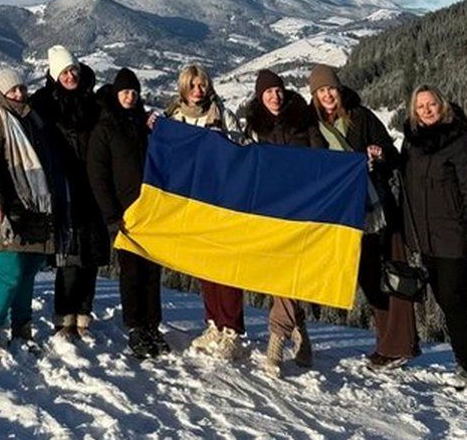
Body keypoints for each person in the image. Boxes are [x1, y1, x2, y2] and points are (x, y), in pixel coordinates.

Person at [308, 64, 419, 370]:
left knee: (394, 276)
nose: (328, 95)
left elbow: (393, 156)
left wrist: (380, 154)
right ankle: (387, 344)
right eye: (321, 90)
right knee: (370, 280)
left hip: (379, 208)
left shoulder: (362, 116)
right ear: (314, 95)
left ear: (339, 89)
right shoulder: (311, 125)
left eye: (331, 88)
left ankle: (399, 346)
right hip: (344, 214)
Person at [400, 85, 467, 400]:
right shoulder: (412, 144)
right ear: (414, 111)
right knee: (445, 301)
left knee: (455, 302)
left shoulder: (460, 142)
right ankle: (464, 366)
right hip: (427, 239)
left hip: (454, 238)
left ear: (443, 106)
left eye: (431, 104)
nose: (426, 110)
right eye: (420, 106)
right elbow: (402, 179)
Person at [0, 68, 65, 360]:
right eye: (13, 90)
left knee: (27, 273)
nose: (19, 94)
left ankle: (22, 329)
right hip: (6, 211)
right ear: (1, 91)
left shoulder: (32, 118)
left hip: (34, 209)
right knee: (9, 273)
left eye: (22, 89)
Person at [237, 69, 325, 376]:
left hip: (301, 207)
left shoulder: (303, 118)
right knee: (281, 273)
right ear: (260, 97)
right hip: (271, 209)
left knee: (287, 273)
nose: (274, 96)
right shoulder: (255, 127)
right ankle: (298, 328)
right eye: (268, 92)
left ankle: (276, 338)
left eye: (278, 90)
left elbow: (322, 157)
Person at [87, 68, 169, 359]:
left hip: (151, 212)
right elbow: (98, 176)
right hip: (125, 215)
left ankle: (152, 326)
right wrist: (111, 215)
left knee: (151, 271)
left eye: (134, 92)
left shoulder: (145, 125)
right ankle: (136, 326)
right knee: (132, 272)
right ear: (116, 94)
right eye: (125, 92)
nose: (130, 97)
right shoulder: (105, 129)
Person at [165, 63, 245, 360]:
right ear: (183, 87)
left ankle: (232, 330)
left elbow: (243, 147)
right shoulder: (173, 117)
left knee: (227, 266)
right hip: (191, 202)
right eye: (193, 85)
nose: (198, 91)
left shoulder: (221, 115)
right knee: (205, 267)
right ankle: (213, 323)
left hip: (222, 201)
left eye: (202, 85)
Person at [29, 45, 106, 340]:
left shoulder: (93, 101)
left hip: (93, 185)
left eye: (72, 69)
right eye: (64, 72)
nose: (70, 75)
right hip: (62, 186)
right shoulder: (44, 104)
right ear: (54, 75)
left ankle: (84, 314)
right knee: (69, 256)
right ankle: (64, 316)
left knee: (92, 255)